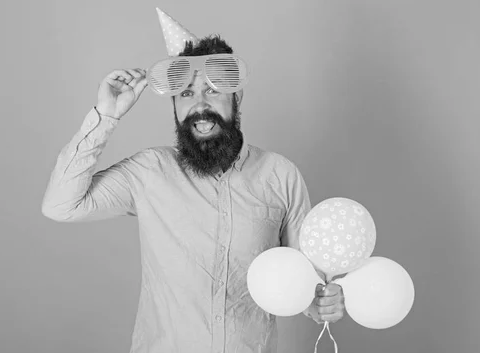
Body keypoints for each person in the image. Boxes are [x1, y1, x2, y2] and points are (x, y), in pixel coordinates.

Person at [41, 8, 344, 353]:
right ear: (174, 105)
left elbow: (303, 282)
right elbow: (60, 205)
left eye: (213, 90)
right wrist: (106, 116)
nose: (200, 105)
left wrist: (320, 302)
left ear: (236, 97)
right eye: (185, 94)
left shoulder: (280, 175)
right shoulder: (149, 172)